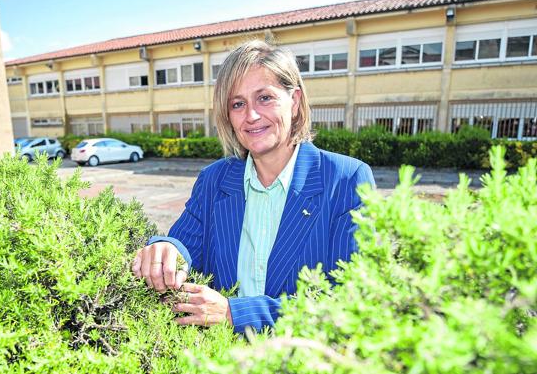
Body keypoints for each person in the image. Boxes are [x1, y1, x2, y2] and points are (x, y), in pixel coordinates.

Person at [132, 40, 375, 333]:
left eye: (265, 98)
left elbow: (347, 302)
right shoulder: (214, 180)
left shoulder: (347, 180)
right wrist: (165, 248)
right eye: (238, 104)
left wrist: (235, 314)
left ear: (294, 101)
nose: (251, 116)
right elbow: (185, 244)